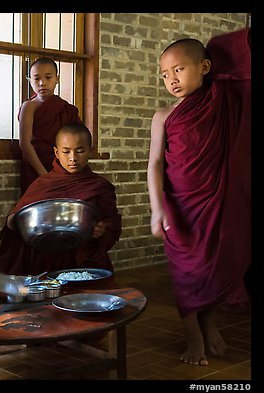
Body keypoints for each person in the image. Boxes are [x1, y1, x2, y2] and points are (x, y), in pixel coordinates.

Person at [147, 28, 251, 367]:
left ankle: (209, 325)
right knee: (185, 273)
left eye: (179, 69)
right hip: (179, 206)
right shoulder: (163, 116)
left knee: (212, 267)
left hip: (215, 201)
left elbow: (237, 55)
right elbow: (155, 164)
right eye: (165, 74)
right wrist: (156, 208)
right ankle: (193, 337)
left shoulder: (221, 99)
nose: (171, 79)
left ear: (205, 67)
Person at [0, 122, 122, 276]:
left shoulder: (99, 186)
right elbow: (15, 218)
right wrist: (15, 220)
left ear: (91, 151)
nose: (73, 158)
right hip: (43, 259)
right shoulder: (44, 183)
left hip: (82, 260)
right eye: (66, 151)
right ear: (56, 153)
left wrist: (101, 230)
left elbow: (112, 223)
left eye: (80, 151)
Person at [18, 57, 82, 194]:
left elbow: (78, 139)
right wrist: (44, 175)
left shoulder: (66, 109)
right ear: (30, 81)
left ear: (57, 79)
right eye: (36, 79)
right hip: (36, 167)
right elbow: (25, 144)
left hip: (63, 166)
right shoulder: (29, 106)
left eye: (48, 77)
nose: (42, 83)